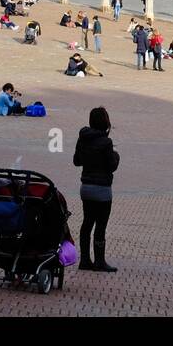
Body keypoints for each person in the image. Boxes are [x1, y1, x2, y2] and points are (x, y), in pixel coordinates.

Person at [74, 107, 120, 272]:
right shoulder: (106, 142)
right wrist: (116, 155)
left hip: (85, 187)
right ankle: (99, 261)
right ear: (105, 122)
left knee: (87, 223)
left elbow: (77, 161)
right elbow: (111, 165)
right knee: (100, 225)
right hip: (102, 189)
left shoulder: (83, 137)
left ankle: (85, 260)